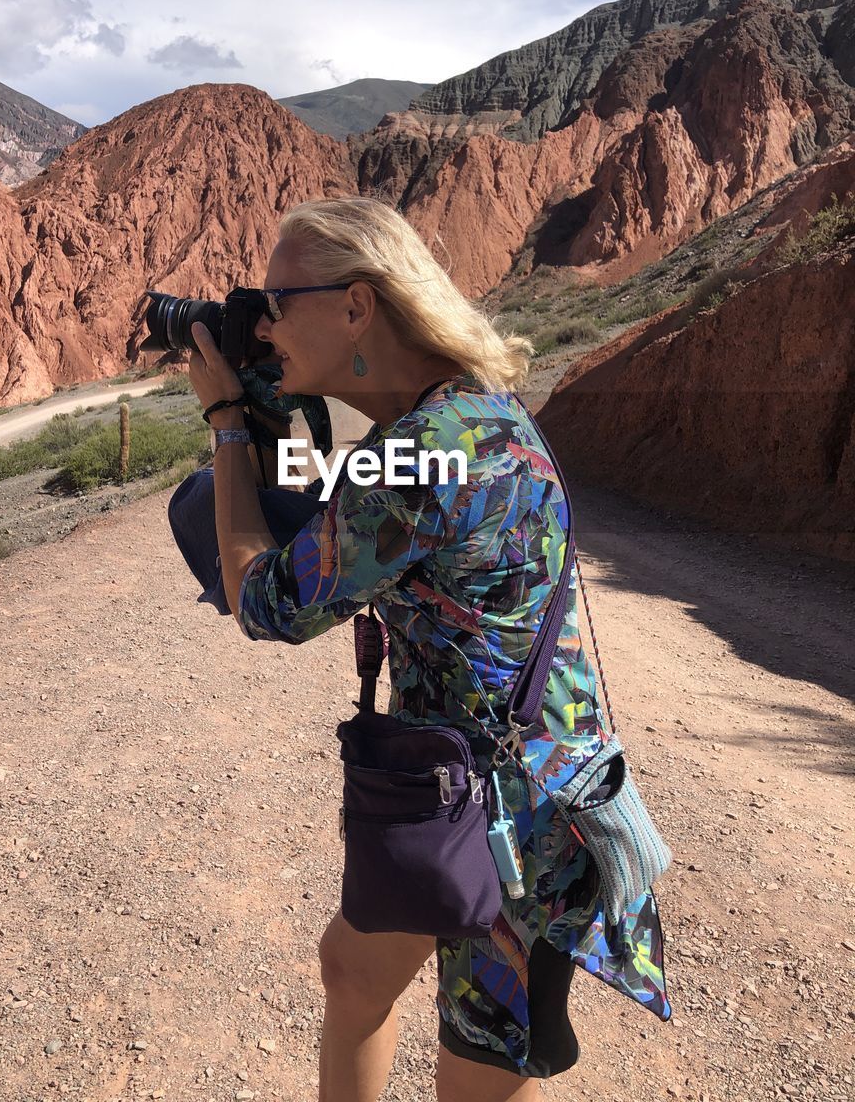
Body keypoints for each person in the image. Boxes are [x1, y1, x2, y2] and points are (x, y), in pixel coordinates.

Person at [184, 197, 670, 1102]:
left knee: (479, 1067)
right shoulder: (463, 417)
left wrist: (222, 424)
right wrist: (259, 418)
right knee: (355, 970)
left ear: (358, 306)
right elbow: (340, 485)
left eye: (280, 302)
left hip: (510, 823)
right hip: (469, 791)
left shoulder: (425, 455)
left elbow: (267, 604)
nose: (263, 321)